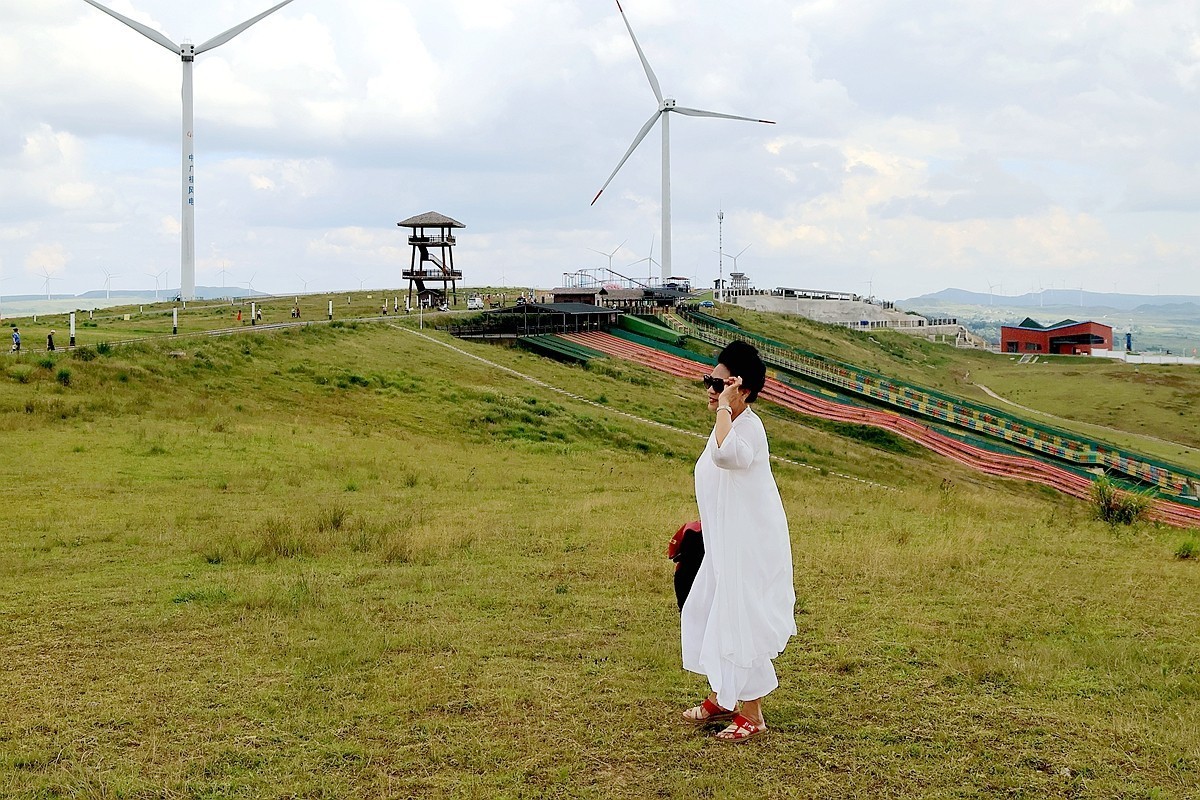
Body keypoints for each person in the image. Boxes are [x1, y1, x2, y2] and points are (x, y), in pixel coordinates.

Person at [680, 340, 796, 743]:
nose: (711, 390)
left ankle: (753, 713)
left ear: (741, 388)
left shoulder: (747, 426)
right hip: (723, 543)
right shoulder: (729, 423)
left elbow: (727, 458)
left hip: (747, 548)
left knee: (739, 621)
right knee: (713, 614)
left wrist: (727, 407)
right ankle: (722, 696)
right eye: (708, 382)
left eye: (719, 383)